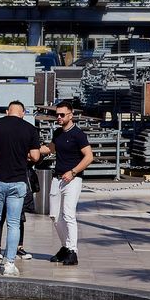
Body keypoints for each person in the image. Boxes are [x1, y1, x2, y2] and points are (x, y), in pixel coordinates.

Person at [0, 100, 40, 276]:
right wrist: (23, 156)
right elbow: (35, 156)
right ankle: (9, 264)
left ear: (7, 111)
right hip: (18, 180)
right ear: (22, 113)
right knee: (14, 224)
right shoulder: (30, 129)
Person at [41, 100, 94, 266]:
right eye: (57, 114)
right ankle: (65, 247)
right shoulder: (58, 133)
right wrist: (29, 147)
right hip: (57, 178)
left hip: (72, 179)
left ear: (70, 115)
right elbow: (49, 148)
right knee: (55, 216)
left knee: (68, 213)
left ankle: (73, 251)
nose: (58, 117)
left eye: (62, 114)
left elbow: (89, 156)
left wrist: (73, 172)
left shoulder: (78, 134)